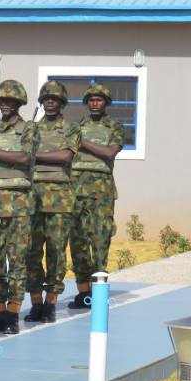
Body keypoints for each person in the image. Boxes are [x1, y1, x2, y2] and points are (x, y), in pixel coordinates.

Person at [0, 80, 36, 335]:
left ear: (19, 102)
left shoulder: (28, 129)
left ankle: (13, 313)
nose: (5, 104)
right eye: (1, 100)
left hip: (18, 204)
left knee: (18, 261)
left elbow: (24, 158)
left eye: (10, 100)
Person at [25, 81, 80, 323]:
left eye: (54, 99)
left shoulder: (71, 128)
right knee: (31, 252)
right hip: (33, 197)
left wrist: (33, 156)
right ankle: (36, 302)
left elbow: (65, 157)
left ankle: (51, 303)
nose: (50, 102)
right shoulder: (31, 129)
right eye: (46, 98)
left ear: (62, 102)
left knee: (56, 252)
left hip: (59, 199)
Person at [69, 83, 124, 309]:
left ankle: (98, 291)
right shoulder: (76, 126)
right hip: (76, 190)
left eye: (99, 100)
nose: (94, 103)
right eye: (91, 100)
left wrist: (81, 141)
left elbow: (109, 152)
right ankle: (83, 293)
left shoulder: (115, 127)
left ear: (106, 103)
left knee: (101, 241)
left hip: (101, 192)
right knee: (78, 242)